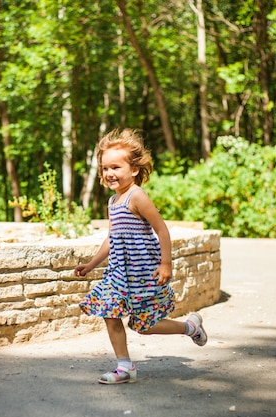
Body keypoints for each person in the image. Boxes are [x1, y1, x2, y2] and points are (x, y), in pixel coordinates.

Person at [74, 128, 207, 385]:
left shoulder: (137, 196)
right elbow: (112, 238)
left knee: (143, 326)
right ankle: (125, 366)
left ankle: (189, 327)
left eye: (115, 167)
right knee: (109, 310)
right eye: (105, 168)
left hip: (143, 273)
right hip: (117, 273)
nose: (109, 173)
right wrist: (91, 264)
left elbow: (162, 229)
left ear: (134, 169)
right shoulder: (113, 201)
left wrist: (165, 263)